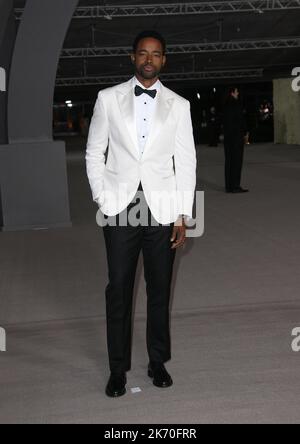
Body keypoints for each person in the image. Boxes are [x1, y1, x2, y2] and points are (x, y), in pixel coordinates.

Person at [86, 30, 197, 398]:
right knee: (118, 288)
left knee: (160, 289)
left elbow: (186, 162)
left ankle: (157, 362)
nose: (149, 59)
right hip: (120, 207)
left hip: (162, 209)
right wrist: (103, 198)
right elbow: (94, 153)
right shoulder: (108, 99)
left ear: (164, 60)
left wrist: (183, 214)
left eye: (156, 54)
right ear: (133, 57)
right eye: (143, 53)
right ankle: (117, 369)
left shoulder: (179, 106)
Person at [223, 87, 249, 193]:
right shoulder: (236, 105)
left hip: (228, 138)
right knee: (237, 162)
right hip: (236, 137)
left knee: (229, 162)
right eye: (237, 91)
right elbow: (240, 121)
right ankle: (235, 186)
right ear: (232, 93)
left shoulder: (225, 105)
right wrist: (245, 131)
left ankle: (229, 186)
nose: (238, 93)